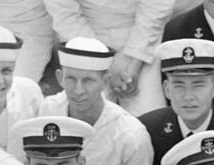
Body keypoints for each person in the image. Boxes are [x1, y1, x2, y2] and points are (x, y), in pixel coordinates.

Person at [23, 38, 152, 165]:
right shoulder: (47, 111)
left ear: (104, 81)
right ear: (60, 77)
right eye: (71, 78)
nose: (78, 90)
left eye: (88, 80)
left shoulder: (130, 135)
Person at [42, 0, 172, 117]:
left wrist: (135, 61)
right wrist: (104, 62)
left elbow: (155, 9)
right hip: (85, 41)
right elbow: (66, 15)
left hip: (140, 41)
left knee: (149, 115)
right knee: (87, 115)